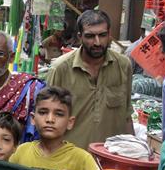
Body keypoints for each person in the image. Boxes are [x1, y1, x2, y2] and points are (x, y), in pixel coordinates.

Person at [9, 87, 122, 170]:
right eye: (43, 112)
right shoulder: (21, 151)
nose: (50, 119)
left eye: (59, 114)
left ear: (70, 122)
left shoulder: (82, 158)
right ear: (33, 119)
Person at [45, 10, 133, 149]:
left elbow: (127, 115)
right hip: (70, 160)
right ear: (80, 37)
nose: (97, 42)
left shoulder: (123, 65)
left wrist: (133, 153)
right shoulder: (60, 69)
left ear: (109, 35)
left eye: (102, 35)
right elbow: (47, 120)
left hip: (110, 160)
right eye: (90, 36)